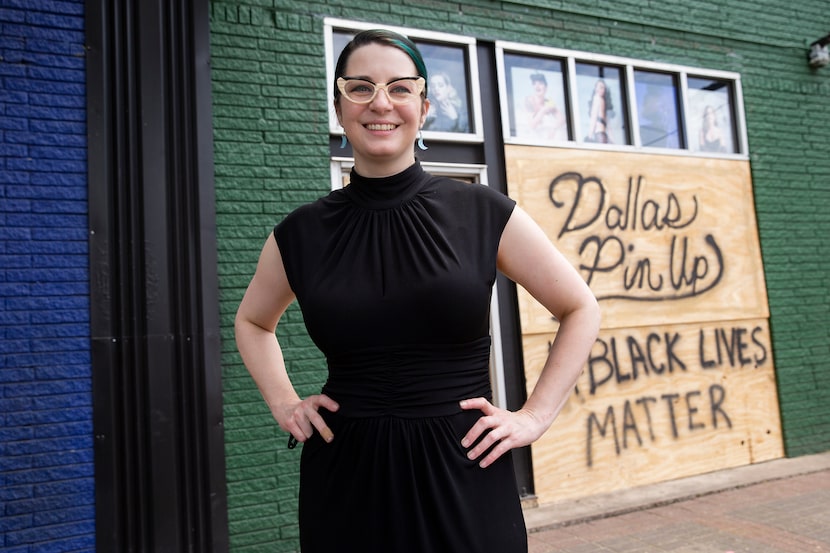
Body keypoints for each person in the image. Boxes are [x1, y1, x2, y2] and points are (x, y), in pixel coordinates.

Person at [235, 28, 600, 553]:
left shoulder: (482, 212)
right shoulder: (300, 233)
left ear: (423, 108)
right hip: (346, 477)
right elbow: (252, 322)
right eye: (359, 88)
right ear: (340, 109)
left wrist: (534, 416)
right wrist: (284, 402)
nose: (380, 102)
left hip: (466, 467)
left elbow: (579, 306)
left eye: (400, 88)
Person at [521, 71, 566, 140]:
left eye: (540, 83)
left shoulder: (548, 102)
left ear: (546, 87)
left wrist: (554, 128)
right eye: (534, 84)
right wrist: (543, 111)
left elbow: (562, 119)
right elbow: (532, 125)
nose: (537, 86)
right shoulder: (528, 101)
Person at [585, 78, 612, 143]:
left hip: (599, 135)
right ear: (596, 88)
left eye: (603, 88)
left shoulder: (597, 98)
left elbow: (594, 118)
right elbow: (608, 124)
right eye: (599, 87)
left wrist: (589, 136)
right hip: (603, 135)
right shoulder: (603, 101)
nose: (601, 90)